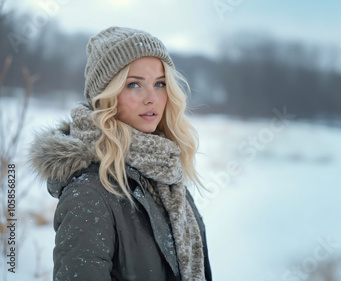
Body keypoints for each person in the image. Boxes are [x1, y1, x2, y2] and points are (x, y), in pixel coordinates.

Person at [28, 26, 212, 281]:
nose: (152, 98)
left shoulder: (165, 175)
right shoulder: (89, 193)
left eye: (159, 84)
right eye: (134, 84)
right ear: (105, 96)